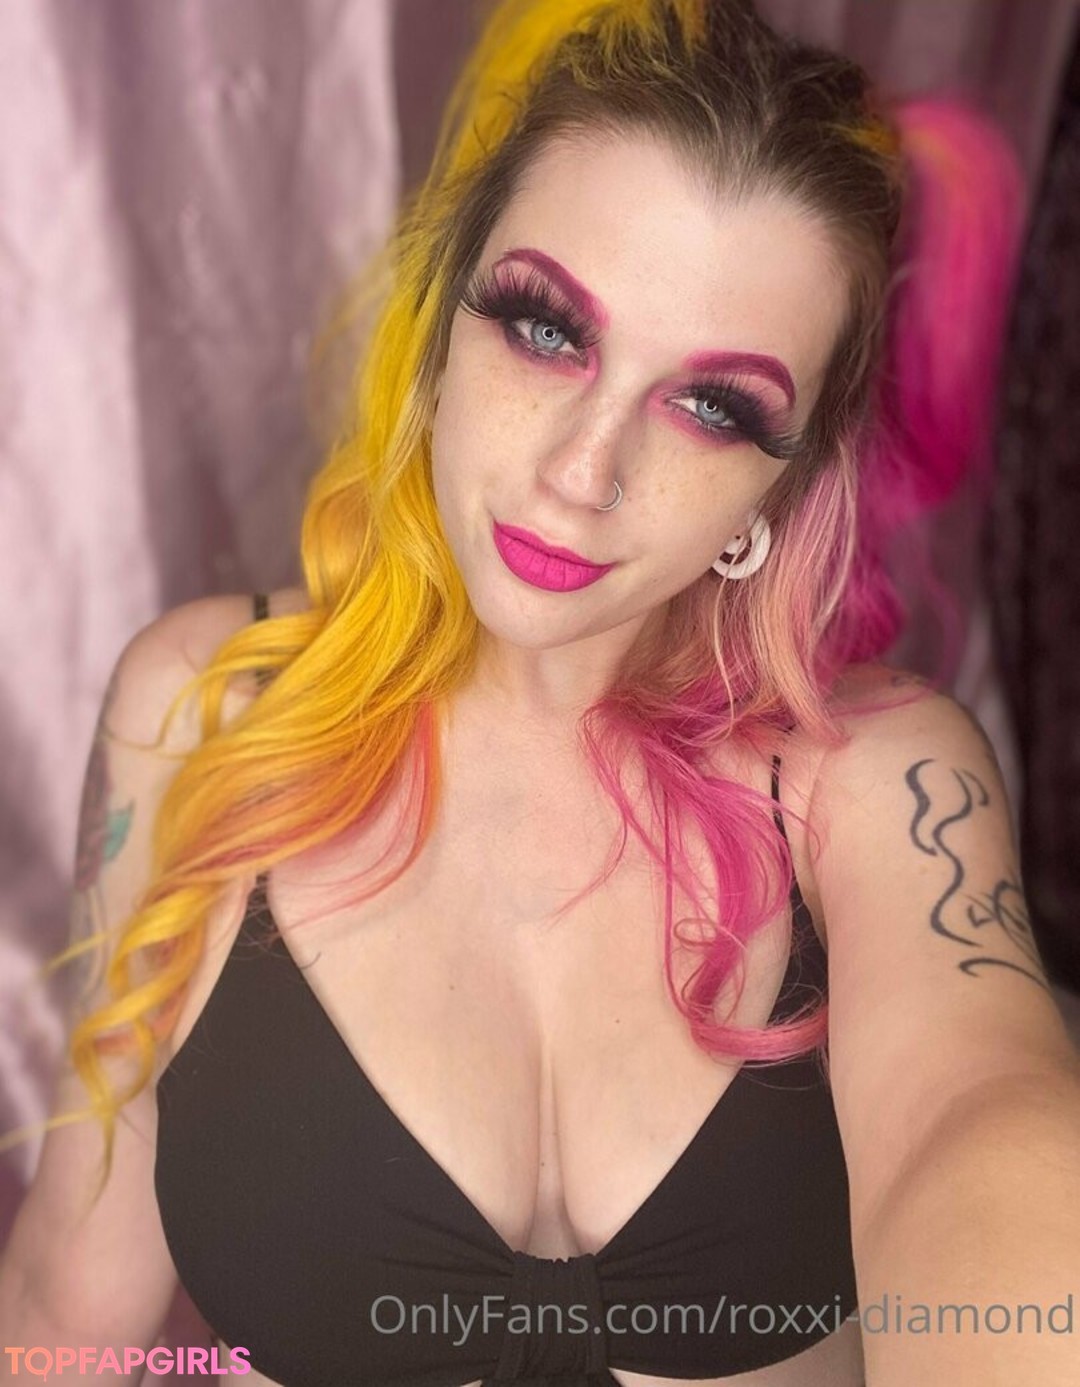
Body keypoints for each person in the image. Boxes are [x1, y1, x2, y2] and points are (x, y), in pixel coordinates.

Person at [2, 0, 1079, 1383]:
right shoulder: (203, 709)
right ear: (443, 322)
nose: (584, 471)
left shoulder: (883, 778)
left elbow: (979, 1122)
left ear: (781, 490)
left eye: (713, 408)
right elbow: (69, 1305)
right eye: (545, 329)